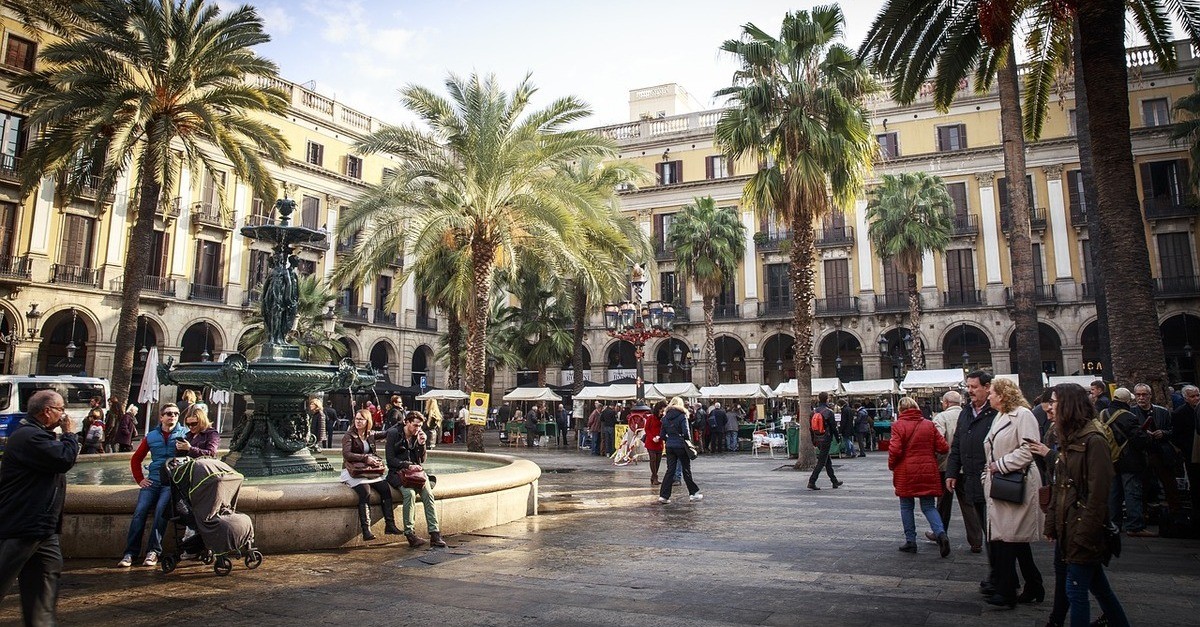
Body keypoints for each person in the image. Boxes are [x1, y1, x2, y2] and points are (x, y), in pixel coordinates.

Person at [1042, 383, 1131, 627]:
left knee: (1076, 592)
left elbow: (1099, 494)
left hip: (1082, 529)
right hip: (1068, 527)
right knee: (1100, 589)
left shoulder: (1094, 440)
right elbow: (1060, 486)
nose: (1050, 407)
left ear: (1068, 405)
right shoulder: (1069, 437)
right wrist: (1052, 523)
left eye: (1055, 401)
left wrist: (1084, 534)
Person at [0, 390, 79, 626]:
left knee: (44, 586)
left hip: (44, 528)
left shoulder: (37, 435)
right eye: (61, 409)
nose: (64, 414)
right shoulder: (29, 437)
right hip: (23, 525)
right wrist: (70, 433)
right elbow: (64, 459)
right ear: (47, 411)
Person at [981, 377, 1044, 609]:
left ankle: (1006, 591)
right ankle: (1034, 584)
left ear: (1003, 395)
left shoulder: (1024, 415)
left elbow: (1030, 448)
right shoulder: (1000, 416)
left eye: (992, 393)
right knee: (1013, 538)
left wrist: (1002, 465)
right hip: (1001, 482)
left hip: (1017, 482)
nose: (989, 396)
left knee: (1008, 536)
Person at [946, 370, 998, 591]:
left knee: (996, 533)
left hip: (994, 480)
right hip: (972, 479)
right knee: (988, 531)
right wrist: (951, 471)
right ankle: (1000, 576)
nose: (970, 391)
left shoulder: (997, 412)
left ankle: (1002, 578)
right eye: (968, 387)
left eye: (974, 387)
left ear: (988, 387)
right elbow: (957, 443)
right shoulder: (966, 412)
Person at [118, 403, 187, 568]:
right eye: (169, 413)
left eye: (176, 414)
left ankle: (153, 551)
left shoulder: (184, 434)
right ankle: (130, 553)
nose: (173, 416)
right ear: (161, 417)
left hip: (171, 482)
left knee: (160, 513)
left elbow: (191, 457)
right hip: (153, 480)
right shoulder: (151, 436)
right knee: (139, 512)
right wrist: (140, 479)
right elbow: (136, 459)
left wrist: (187, 449)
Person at [889, 397, 950, 556]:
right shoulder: (929, 425)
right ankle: (941, 534)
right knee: (929, 506)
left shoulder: (898, 425)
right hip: (928, 469)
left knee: (906, 506)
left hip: (906, 470)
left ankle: (911, 541)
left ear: (900, 410)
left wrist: (892, 465)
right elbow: (943, 447)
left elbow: (895, 450)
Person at [929, 390, 984, 552]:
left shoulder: (941, 417)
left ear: (945, 403)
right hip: (967, 467)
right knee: (968, 504)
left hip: (946, 466)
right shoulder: (970, 416)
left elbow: (938, 442)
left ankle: (940, 533)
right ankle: (976, 541)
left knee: (943, 503)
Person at [386, 411, 447, 548]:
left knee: (428, 495)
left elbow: (422, 460)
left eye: (419, 426)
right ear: (406, 422)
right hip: (399, 473)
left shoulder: (417, 435)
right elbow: (390, 460)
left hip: (416, 474)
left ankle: (435, 534)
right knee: (409, 494)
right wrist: (407, 465)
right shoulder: (394, 434)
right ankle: (410, 534)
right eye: (415, 425)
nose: (417, 429)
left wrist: (421, 444)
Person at [341, 409, 400, 541]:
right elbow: (346, 454)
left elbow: (386, 433)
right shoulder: (349, 436)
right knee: (365, 492)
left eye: (361, 419)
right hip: (353, 471)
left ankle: (390, 525)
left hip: (368, 470)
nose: (358, 421)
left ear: (368, 421)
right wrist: (365, 458)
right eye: (356, 419)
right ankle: (366, 530)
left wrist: (401, 424)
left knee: (385, 489)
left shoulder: (370, 435)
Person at [1103, 387, 1152, 536]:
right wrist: (1147, 436)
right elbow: (1139, 440)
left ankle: (1113, 523)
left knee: (1113, 493)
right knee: (1132, 492)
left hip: (1110, 459)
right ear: (1126, 400)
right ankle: (1134, 525)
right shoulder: (1128, 416)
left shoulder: (1103, 413)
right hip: (1129, 460)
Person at [1130, 383, 1179, 514]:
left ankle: (1175, 513)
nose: (1141, 398)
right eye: (1138, 395)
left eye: (1144, 394)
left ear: (1150, 396)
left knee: (1170, 484)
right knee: (1142, 486)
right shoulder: (1131, 413)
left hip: (1161, 452)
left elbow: (1173, 430)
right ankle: (1144, 514)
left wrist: (1163, 433)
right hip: (1142, 454)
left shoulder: (1162, 412)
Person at [657, 396, 701, 504]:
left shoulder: (665, 417)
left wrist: (670, 439)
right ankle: (693, 493)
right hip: (681, 446)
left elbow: (662, 435)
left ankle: (664, 496)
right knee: (686, 470)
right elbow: (686, 433)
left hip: (670, 446)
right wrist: (687, 442)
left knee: (670, 470)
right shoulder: (682, 416)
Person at [1170, 385, 1200, 513]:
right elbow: (1176, 435)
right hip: (1191, 452)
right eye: (1193, 396)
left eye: (1198, 395)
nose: (1196, 398)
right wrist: (1186, 448)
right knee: (1195, 482)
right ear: (1185, 398)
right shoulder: (1179, 413)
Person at [808, 392, 842, 490]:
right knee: (822, 462)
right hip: (826, 438)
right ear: (827, 399)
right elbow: (833, 427)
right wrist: (837, 437)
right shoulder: (829, 412)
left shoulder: (813, 412)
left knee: (827, 460)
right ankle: (812, 481)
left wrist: (813, 440)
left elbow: (811, 428)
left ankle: (834, 481)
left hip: (817, 438)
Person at [645, 400, 666, 486]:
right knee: (653, 459)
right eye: (661, 410)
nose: (662, 412)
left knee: (658, 461)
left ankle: (653, 477)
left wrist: (660, 436)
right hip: (651, 441)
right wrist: (652, 437)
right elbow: (647, 429)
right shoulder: (651, 418)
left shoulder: (663, 418)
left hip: (659, 442)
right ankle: (655, 477)